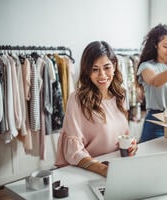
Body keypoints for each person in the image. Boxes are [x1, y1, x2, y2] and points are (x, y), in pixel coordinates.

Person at [55, 41, 138, 177]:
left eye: (107, 67)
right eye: (95, 69)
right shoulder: (76, 100)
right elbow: (74, 152)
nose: (102, 75)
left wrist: (131, 145)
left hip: (117, 166)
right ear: (87, 71)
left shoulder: (121, 95)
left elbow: (123, 135)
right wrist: (103, 170)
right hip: (88, 172)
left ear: (114, 66)